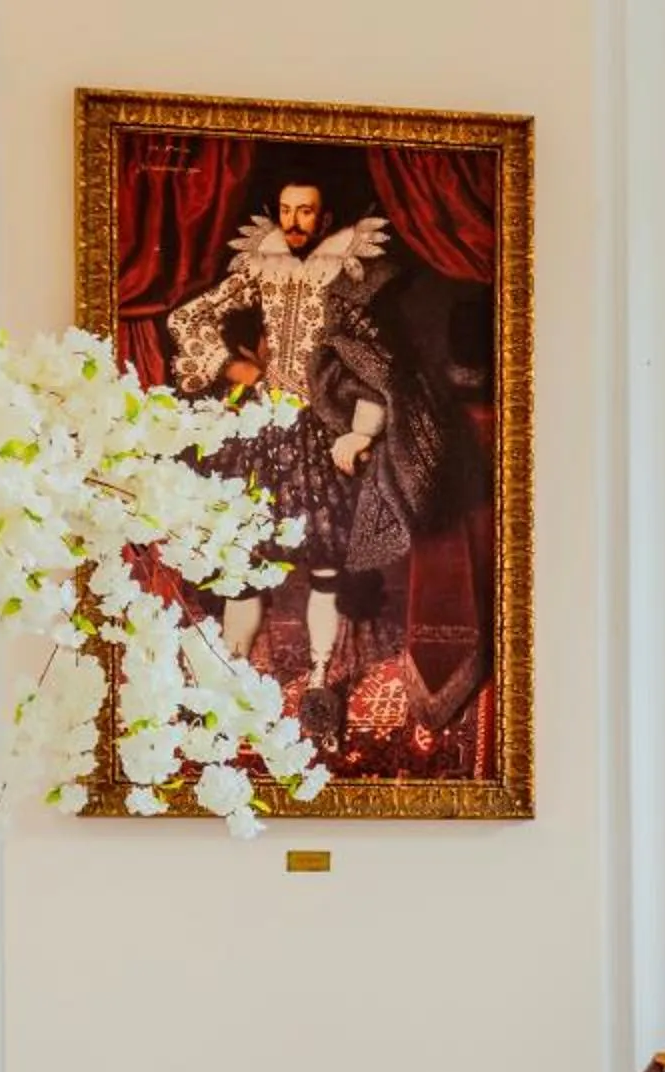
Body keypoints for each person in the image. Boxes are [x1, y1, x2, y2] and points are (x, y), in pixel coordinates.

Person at [165, 179, 453, 700]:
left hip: (318, 435)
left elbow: (380, 364)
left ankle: (319, 679)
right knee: (244, 562)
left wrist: (360, 432)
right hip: (257, 432)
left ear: (324, 219)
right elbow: (187, 317)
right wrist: (230, 366)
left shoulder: (350, 276)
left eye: (306, 213)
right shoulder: (260, 268)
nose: (294, 222)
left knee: (324, 565)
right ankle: (231, 675)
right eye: (286, 210)